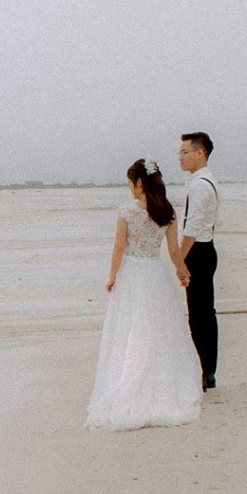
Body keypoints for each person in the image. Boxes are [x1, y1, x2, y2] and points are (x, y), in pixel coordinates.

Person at [86, 158, 203, 431]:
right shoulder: (167, 211)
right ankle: (162, 382)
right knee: (159, 329)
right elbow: (173, 251)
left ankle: (131, 380)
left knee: (131, 329)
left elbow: (118, 248)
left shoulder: (127, 212)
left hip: (133, 275)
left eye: (130, 183)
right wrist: (182, 271)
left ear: (139, 182)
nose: (129, 188)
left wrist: (112, 276)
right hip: (155, 274)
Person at [176, 131, 221, 390]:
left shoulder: (200, 185)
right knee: (204, 313)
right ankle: (208, 370)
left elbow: (191, 229)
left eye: (185, 152)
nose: (180, 157)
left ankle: (206, 371)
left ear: (200, 153)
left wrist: (179, 261)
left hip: (199, 252)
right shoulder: (201, 181)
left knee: (199, 315)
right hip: (205, 249)